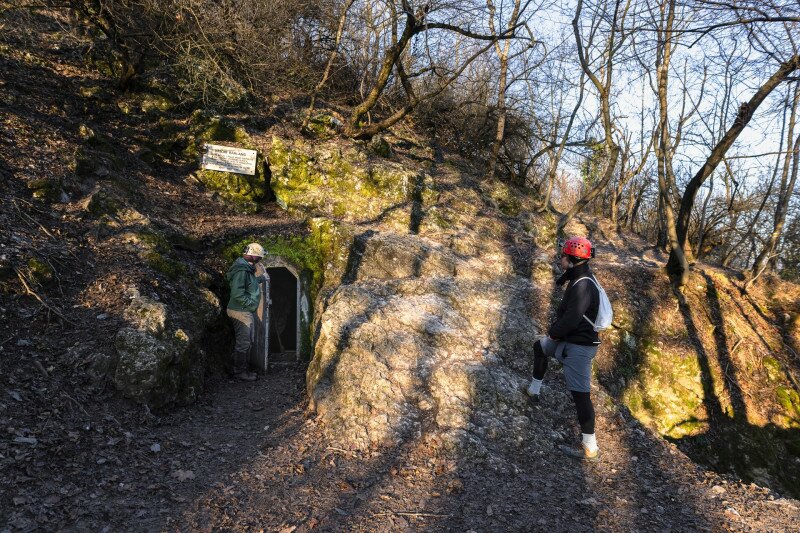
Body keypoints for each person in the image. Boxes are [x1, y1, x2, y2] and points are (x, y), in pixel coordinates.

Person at [527, 236, 603, 461]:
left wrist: (553, 333)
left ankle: (591, 448)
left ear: (571, 259)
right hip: (570, 340)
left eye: (562, 255)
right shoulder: (582, 275)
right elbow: (574, 275)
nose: (560, 258)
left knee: (581, 396)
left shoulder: (584, 286)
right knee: (539, 347)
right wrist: (563, 279)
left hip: (579, 347)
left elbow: (571, 319)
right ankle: (534, 391)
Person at [225, 242, 268, 381]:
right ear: (252, 257)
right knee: (244, 342)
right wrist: (251, 305)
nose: (260, 260)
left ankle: (242, 370)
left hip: (243, 310)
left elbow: (248, 284)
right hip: (241, 311)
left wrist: (260, 279)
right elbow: (238, 293)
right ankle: (239, 372)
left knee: (246, 341)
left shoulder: (245, 268)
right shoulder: (242, 270)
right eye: (258, 258)